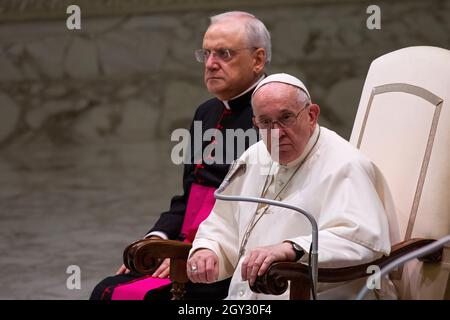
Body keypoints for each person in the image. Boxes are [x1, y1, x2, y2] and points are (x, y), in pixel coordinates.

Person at [90, 11, 271, 300]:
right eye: (207, 54)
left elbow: (265, 208)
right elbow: (189, 197)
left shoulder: (272, 113)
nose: (211, 64)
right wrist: (157, 239)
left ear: (258, 59)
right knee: (108, 289)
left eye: (224, 54)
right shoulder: (206, 112)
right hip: (184, 245)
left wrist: (192, 252)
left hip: (227, 260)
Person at [187, 73, 400, 299]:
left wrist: (293, 248)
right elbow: (224, 221)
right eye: (266, 122)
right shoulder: (255, 156)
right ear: (255, 123)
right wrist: (208, 248)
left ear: (311, 115)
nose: (276, 134)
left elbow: (363, 240)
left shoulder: (345, 165)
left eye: (286, 117)